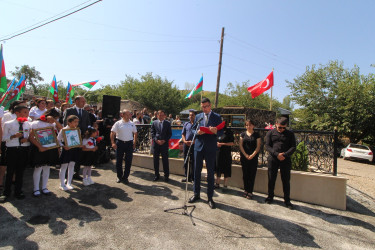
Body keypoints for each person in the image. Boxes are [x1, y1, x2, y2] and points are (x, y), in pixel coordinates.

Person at [188, 98, 223, 209]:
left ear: (210, 105)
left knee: (210, 173)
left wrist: (215, 131)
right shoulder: (198, 116)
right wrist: (197, 132)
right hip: (198, 147)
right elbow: (192, 130)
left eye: (206, 106)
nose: (204, 108)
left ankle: (210, 197)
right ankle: (196, 194)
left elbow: (222, 131)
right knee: (196, 171)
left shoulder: (217, 117)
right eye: (202, 107)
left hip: (210, 148)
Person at [0, 106, 31, 202]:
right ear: (17, 113)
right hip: (12, 149)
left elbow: (31, 136)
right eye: (25, 112)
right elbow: (4, 138)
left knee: (20, 171)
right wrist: (13, 136)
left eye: (27, 112)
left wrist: (27, 139)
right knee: (10, 171)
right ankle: (6, 192)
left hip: (23, 149)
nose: (27, 114)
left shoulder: (28, 124)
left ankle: (18, 191)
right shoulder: (8, 124)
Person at [29, 108, 62, 196]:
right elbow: (31, 137)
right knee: (38, 168)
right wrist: (40, 147)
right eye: (54, 118)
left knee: (47, 168)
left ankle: (44, 187)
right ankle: (36, 188)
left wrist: (54, 120)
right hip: (39, 148)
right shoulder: (36, 123)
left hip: (50, 148)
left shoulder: (53, 124)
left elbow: (62, 129)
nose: (55, 120)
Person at [265, 116, 296, 209]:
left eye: (284, 127)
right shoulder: (270, 133)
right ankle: (270, 197)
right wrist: (276, 154)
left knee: (286, 180)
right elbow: (267, 146)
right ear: (276, 124)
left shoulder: (290, 134)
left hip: (285, 160)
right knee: (271, 179)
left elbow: (293, 147)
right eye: (280, 127)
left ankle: (287, 201)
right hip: (273, 158)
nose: (282, 129)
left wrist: (285, 155)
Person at [63, 96, 90, 180]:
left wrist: (87, 132)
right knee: (69, 156)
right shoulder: (69, 110)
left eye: (84, 101)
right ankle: (66, 175)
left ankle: (76, 173)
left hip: (81, 137)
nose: (84, 103)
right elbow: (65, 123)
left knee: (78, 155)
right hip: (71, 136)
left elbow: (88, 123)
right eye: (82, 101)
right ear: (77, 101)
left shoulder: (85, 112)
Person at [111, 110, 137, 184]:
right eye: (128, 114)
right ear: (123, 114)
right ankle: (119, 176)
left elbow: (135, 133)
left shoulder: (132, 123)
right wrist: (113, 142)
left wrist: (134, 142)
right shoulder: (118, 123)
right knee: (119, 161)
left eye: (130, 114)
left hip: (129, 144)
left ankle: (125, 177)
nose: (129, 116)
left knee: (128, 161)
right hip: (120, 143)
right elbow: (112, 133)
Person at [58, 115, 82, 190]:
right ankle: (62, 184)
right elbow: (58, 140)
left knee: (72, 165)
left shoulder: (78, 130)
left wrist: (79, 144)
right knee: (64, 166)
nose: (76, 123)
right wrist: (63, 146)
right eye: (75, 122)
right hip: (66, 149)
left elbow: (78, 139)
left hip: (74, 149)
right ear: (69, 122)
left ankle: (69, 183)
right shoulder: (63, 130)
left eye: (77, 122)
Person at [239, 119, 261, 199]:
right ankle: (246, 190)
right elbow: (241, 145)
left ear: (253, 125)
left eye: (250, 125)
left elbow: (258, 146)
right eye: (247, 125)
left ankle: (250, 191)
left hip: (253, 158)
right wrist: (245, 155)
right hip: (244, 157)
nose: (248, 126)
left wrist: (252, 155)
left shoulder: (257, 135)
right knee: (245, 174)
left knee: (252, 174)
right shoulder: (242, 134)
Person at [151, 110, 171, 182]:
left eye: (162, 115)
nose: (161, 116)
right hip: (156, 144)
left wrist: (164, 140)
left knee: (165, 160)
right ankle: (156, 175)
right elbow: (152, 133)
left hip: (164, 145)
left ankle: (166, 176)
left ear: (165, 116)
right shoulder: (154, 123)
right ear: (157, 116)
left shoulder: (167, 123)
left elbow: (169, 134)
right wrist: (156, 140)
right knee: (155, 160)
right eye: (160, 115)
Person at [215, 124, 234, 189]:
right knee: (218, 167)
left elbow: (232, 143)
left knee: (226, 167)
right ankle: (217, 183)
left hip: (226, 153)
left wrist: (222, 144)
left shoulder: (229, 132)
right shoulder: (217, 131)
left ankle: (225, 184)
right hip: (218, 152)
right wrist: (216, 143)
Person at [181, 111, 196, 182]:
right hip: (186, 144)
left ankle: (193, 177)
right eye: (190, 115)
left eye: (192, 115)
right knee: (186, 160)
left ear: (195, 116)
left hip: (194, 145)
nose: (191, 117)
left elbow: (200, 136)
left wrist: (193, 142)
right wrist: (184, 141)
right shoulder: (186, 124)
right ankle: (187, 176)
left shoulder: (197, 124)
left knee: (193, 161)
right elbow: (183, 134)